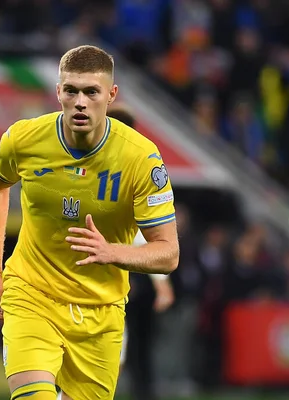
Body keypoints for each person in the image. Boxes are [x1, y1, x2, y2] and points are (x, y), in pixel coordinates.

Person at [0, 45, 179, 400]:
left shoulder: (141, 159)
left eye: (91, 92)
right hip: (32, 294)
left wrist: (111, 252)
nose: (80, 102)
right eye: (71, 90)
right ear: (58, 92)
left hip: (100, 312)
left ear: (111, 95)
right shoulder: (23, 139)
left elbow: (168, 254)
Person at [106, 105, 175, 400]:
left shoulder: (133, 169)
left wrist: (161, 284)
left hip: (114, 281)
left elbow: (143, 234)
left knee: (115, 355)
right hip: (95, 279)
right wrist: (163, 285)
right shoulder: (128, 169)